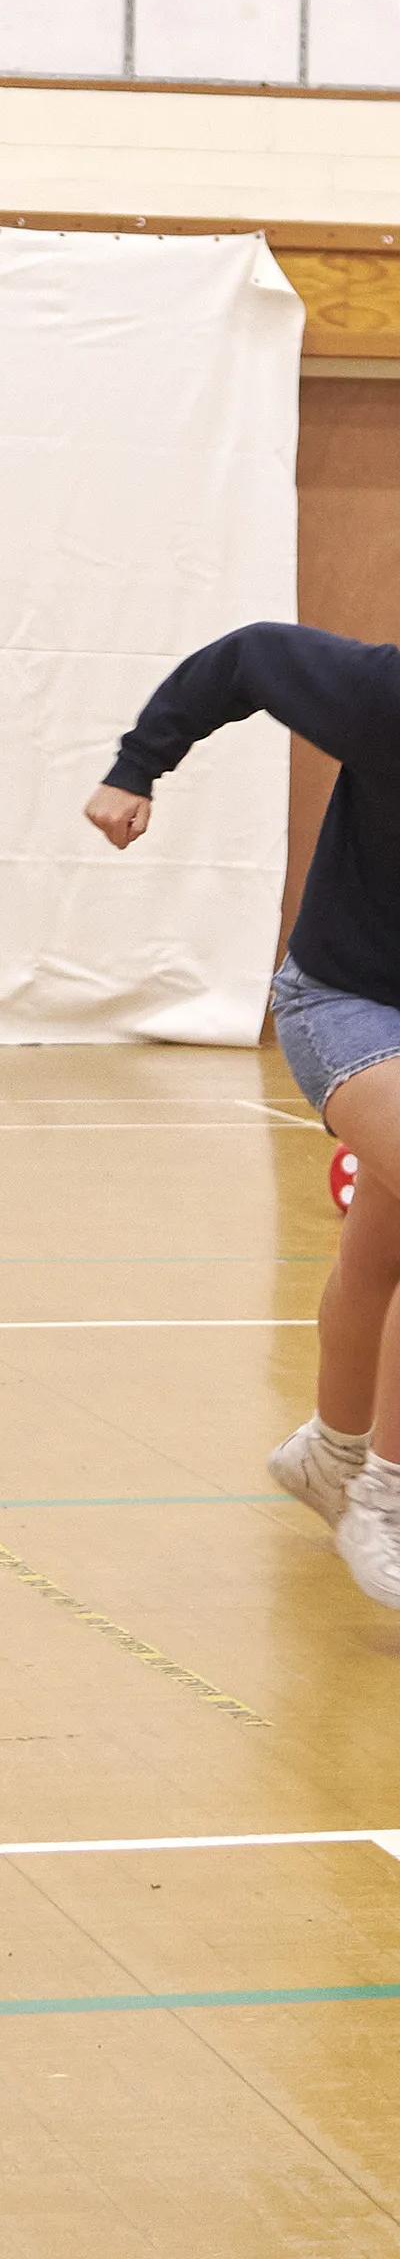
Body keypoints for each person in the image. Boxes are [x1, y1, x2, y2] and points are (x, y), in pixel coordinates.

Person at [85, 618, 400, 1610]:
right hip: (343, 1001)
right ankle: (385, 1501)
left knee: (382, 1246)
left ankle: (333, 1455)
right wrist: (137, 768)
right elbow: (248, 656)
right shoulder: (381, 696)